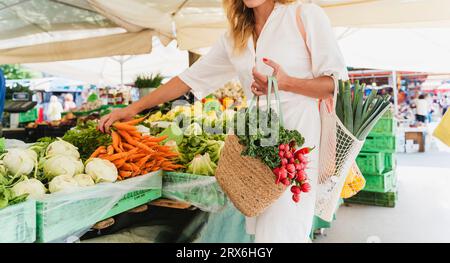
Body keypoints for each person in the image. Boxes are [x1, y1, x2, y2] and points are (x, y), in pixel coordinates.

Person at [99, 0, 347, 243]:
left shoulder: (304, 15)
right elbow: (189, 79)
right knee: (265, 233)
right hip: (257, 149)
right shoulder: (235, 36)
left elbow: (336, 85)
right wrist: (132, 109)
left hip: (297, 149)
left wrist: (286, 83)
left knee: (283, 231)